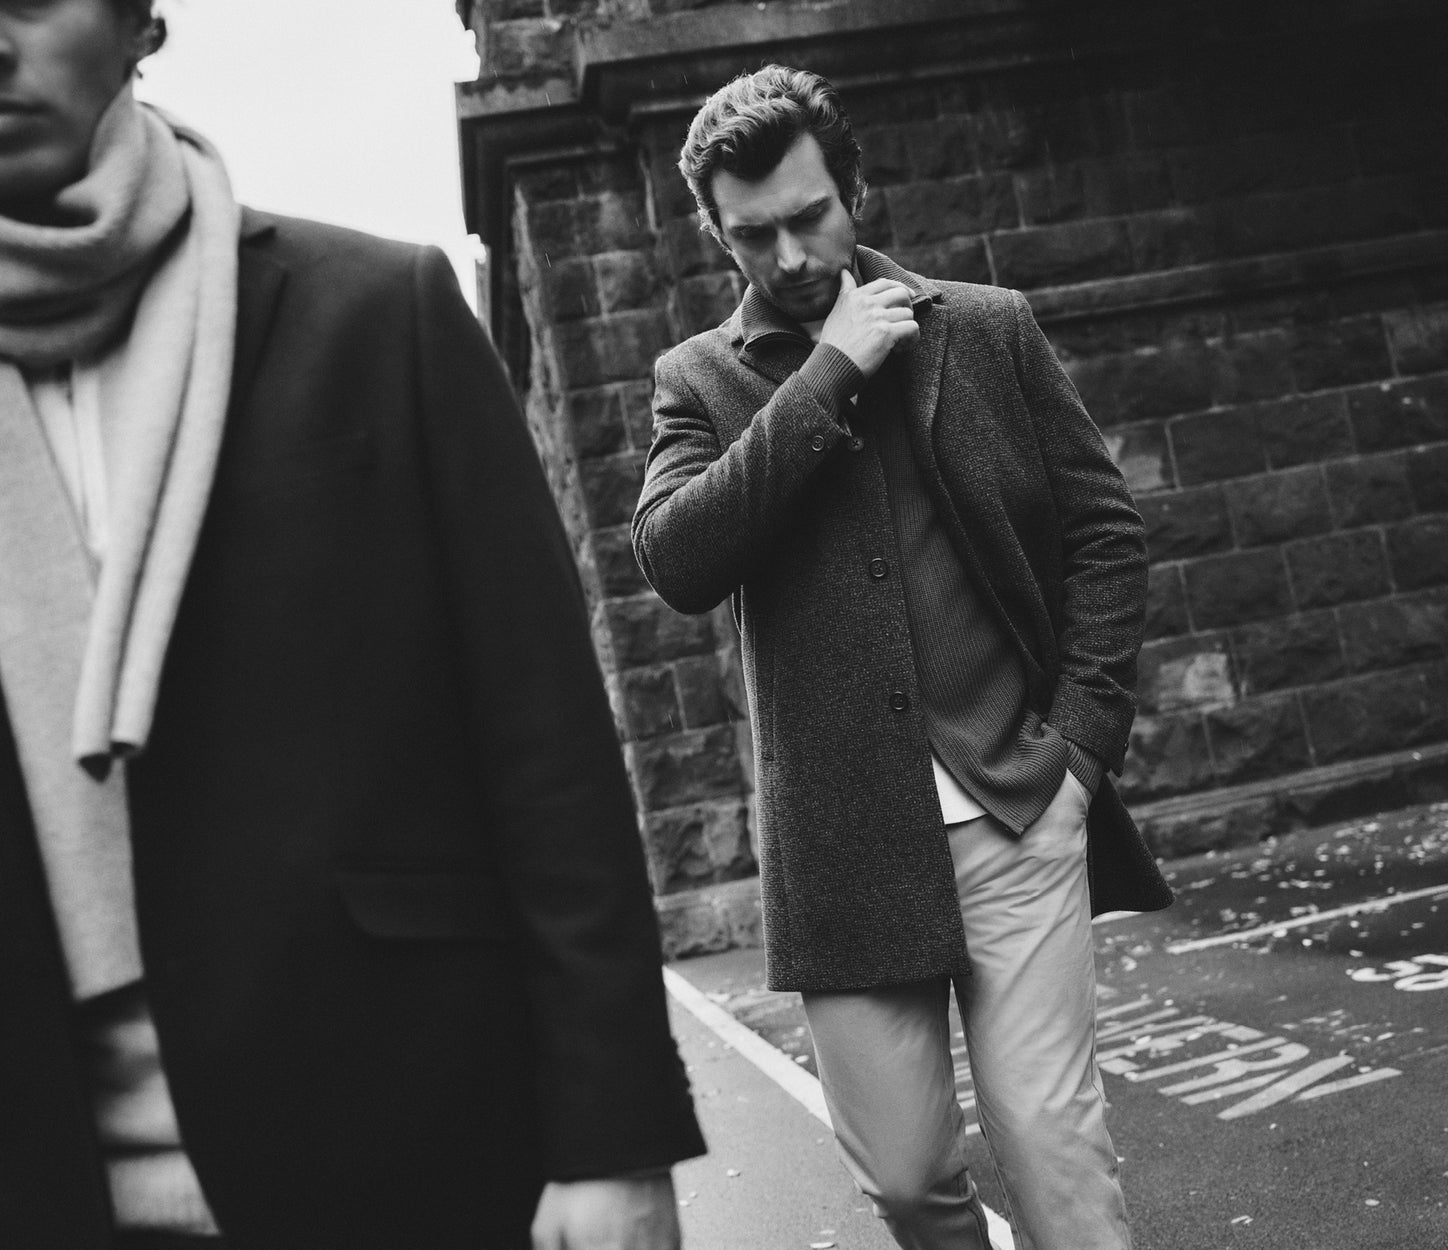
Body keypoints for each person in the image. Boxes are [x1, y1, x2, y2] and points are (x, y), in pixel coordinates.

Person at [0, 2, 703, 1246]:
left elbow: (543, 747)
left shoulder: (377, 311)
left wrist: (616, 1134)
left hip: (399, 1144)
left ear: (138, 21)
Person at [634, 64, 1174, 1250]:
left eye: (808, 214)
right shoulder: (701, 381)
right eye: (752, 233)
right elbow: (676, 560)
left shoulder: (989, 329)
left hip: (1018, 806)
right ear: (718, 234)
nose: (786, 255)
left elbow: (1106, 534)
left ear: (858, 190)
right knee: (912, 1180)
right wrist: (828, 372)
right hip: (846, 845)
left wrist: (1080, 752)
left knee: (1054, 1154)